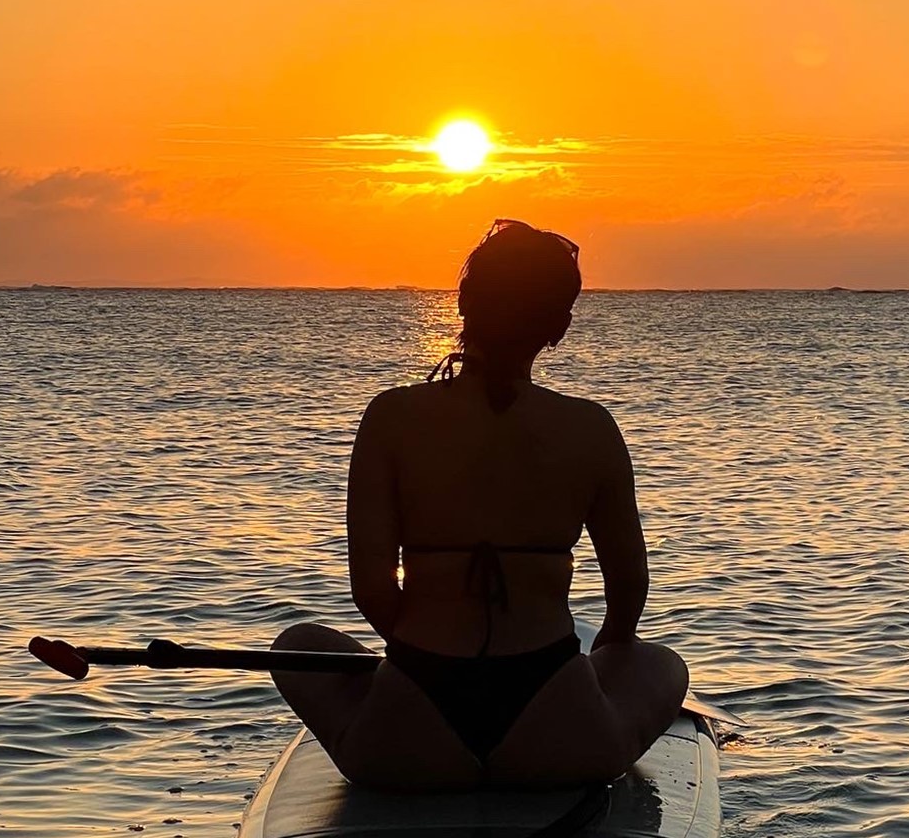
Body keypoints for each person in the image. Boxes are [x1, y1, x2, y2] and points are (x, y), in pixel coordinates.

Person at [270, 219, 688, 791]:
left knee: (296, 645)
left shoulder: (390, 418)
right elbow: (627, 593)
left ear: (465, 301)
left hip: (418, 715)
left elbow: (371, 590)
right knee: (662, 664)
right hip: (557, 726)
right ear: (559, 327)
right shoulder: (591, 428)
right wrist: (592, 675)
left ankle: (402, 727)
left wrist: (425, 666)